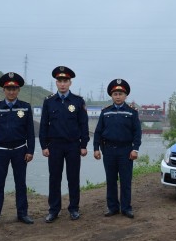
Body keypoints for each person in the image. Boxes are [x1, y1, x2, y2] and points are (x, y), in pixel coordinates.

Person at [0, 72, 36, 228]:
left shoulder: (25, 107)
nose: (11, 91)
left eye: (14, 89)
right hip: (0, 151)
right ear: (3, 90)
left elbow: (31, 133)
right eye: (8, 88)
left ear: (18, 90)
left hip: (20, 150)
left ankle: (22, 214)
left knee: (20, 183)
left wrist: (30, 151)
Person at [39, 66, 89, 223]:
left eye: (65, 81)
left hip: (73, 145)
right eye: (60, 81)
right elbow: (43, 126)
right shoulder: (49, 102)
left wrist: (83, 145)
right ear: (56, 83)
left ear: (70, 83)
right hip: (54, 146)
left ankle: (74, 208)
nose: (62, 84)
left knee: (73, 178)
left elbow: (83, 125)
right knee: (54, 178)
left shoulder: (78, 101)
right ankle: (54, 210)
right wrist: (44, 146)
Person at [93, 78, 142, 219]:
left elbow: (137, 133)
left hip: (126, 151)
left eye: (121, 94)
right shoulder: (105, 112)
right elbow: (98, 132)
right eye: (115, 94)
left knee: (126, 181)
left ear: (126, 95)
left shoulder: (132, 112)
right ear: (111, 96)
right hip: (109, 151)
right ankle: (112, 207)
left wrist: (135, 149)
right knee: (111, 180)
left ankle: (126, 208)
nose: (118, 96)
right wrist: (96, 148)